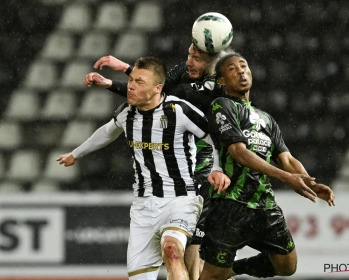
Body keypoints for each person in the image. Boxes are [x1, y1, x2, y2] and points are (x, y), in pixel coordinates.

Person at [57, 56, 230, 280]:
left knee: (172, 250)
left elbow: (212, 135)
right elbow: (107, 132)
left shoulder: (178, 111)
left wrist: (217, 168)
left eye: (140, 82)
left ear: (158, 88)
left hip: (180, 200)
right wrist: (75, 154)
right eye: (131, 81)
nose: (131, 86)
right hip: (143, 207)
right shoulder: (126, 113)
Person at [199, 52, 336, 280]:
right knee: (211, 276)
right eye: (232, 69)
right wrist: (286, 178)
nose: (241, 71)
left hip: (264, 206)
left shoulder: (267, 118)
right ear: (222, 81)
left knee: (287, 266)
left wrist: (310, 182)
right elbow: (239, 152)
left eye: (244, 66)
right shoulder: (222, 106)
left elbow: (287, 159)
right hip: (230, 207)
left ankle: (234, 269)